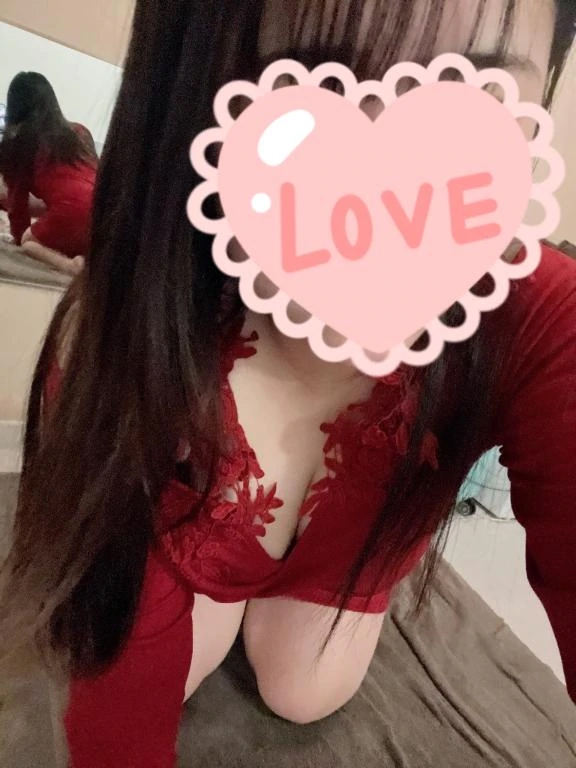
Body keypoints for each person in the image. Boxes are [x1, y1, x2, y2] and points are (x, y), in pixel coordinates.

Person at [1, 1, 575, 766]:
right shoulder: (123, 341)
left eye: (471, 94)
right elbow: (113, 717)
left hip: (356, 556)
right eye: (312, 83)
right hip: (191, 528)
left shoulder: (539, 320)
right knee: (148, 649)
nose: (387, 194)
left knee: (300, 689)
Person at [0, 72, 97, 277]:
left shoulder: (20, 143)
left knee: (29, 242)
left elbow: (17, 205)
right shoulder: (80, 131)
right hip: (102, 212)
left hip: (71, 211)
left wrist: (21, 236)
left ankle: (69, 266)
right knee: (68, 214)